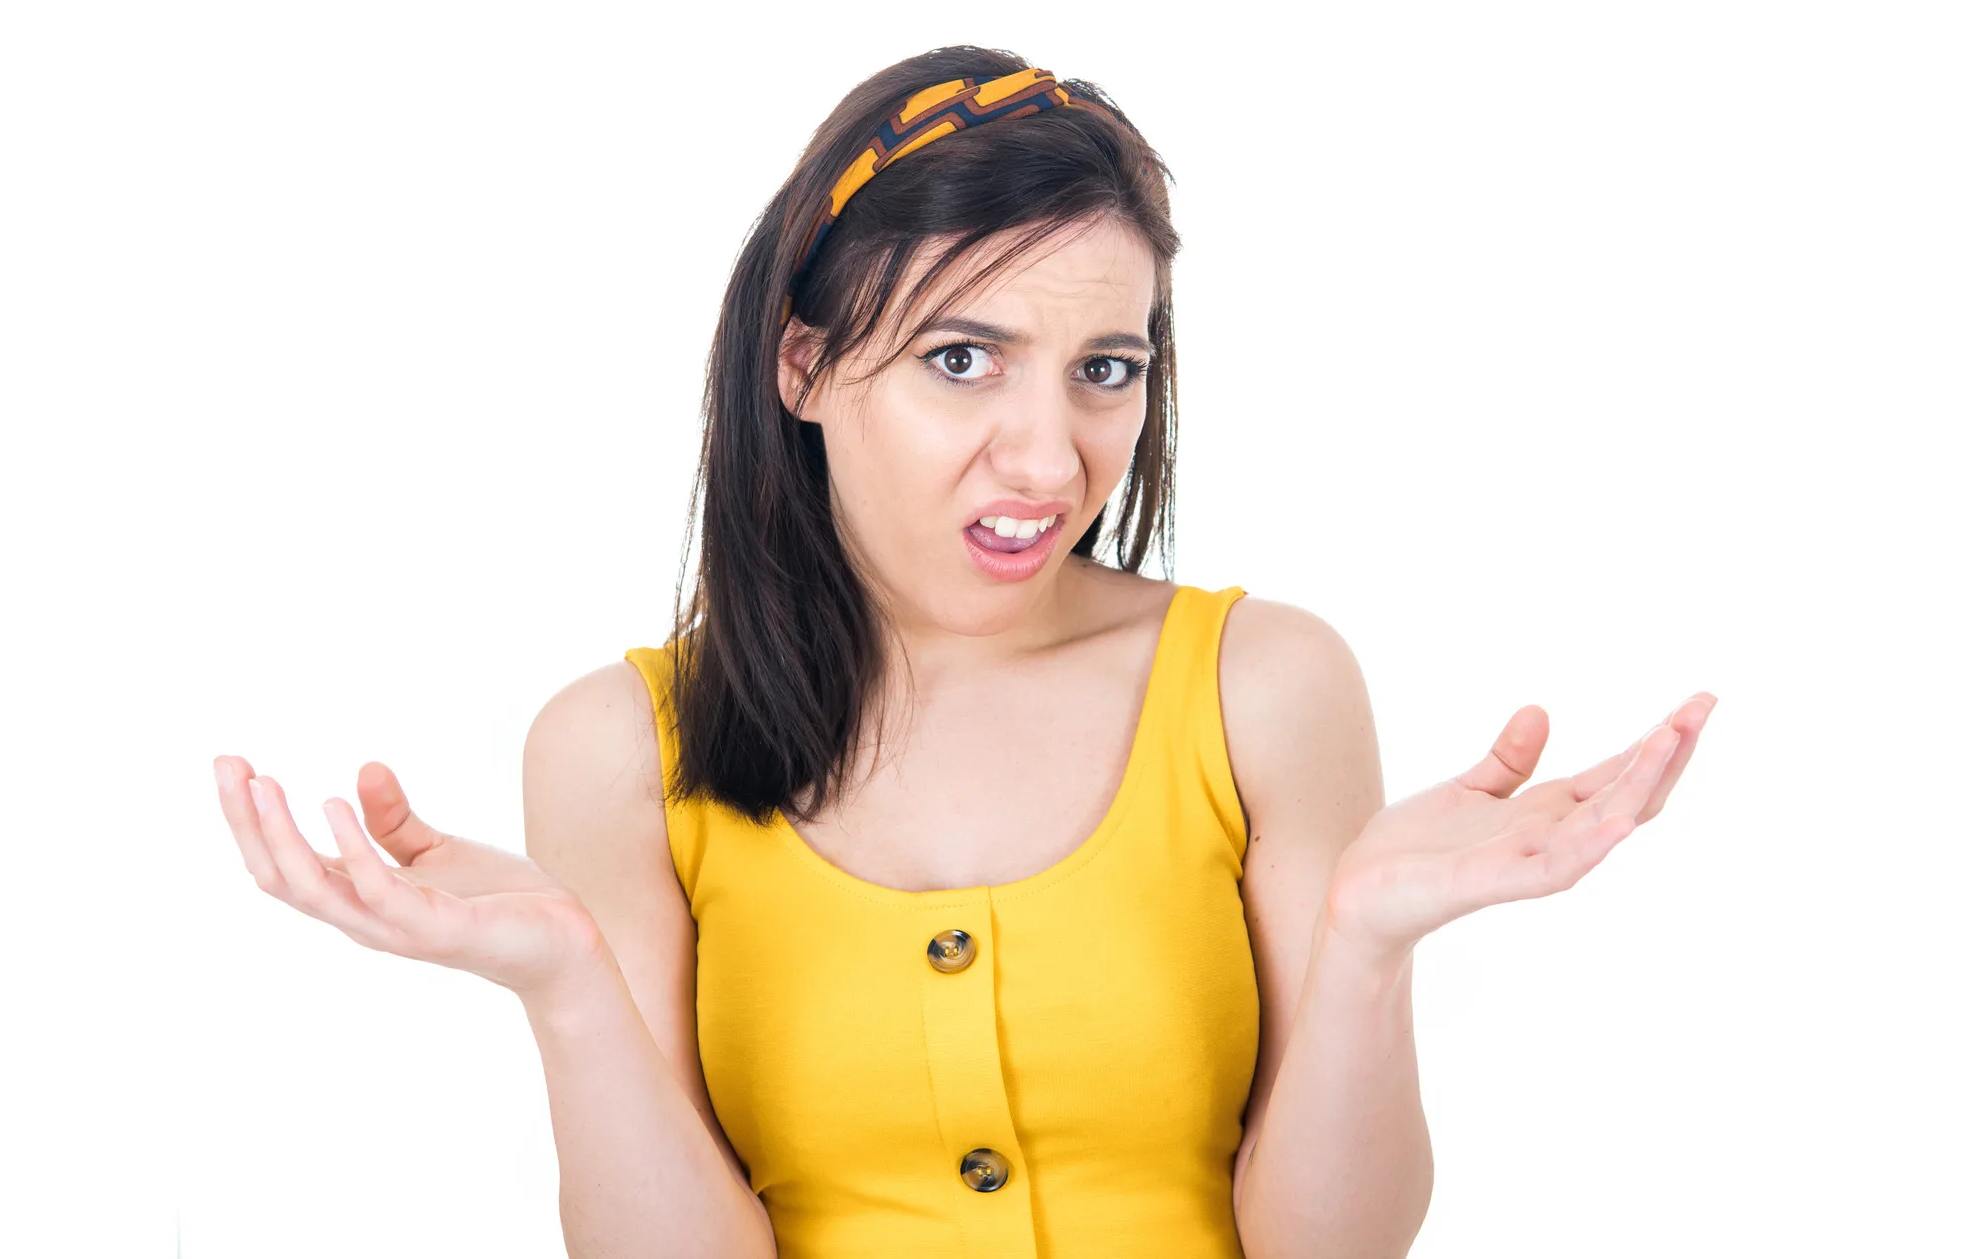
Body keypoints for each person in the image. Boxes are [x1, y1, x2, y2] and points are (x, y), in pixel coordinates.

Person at [212, 45, 1716, 1259]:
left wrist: (1372, 951)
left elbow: (1329, 1248)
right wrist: (567, 992)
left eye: (1104, 371)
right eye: (961, 358)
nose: (1050, 456)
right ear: (803, 363)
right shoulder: (619, 745)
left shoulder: (1268, 686)